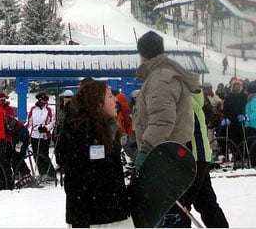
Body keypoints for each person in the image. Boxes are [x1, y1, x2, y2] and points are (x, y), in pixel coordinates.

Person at [60, 79, 132, 227]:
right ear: (98, 103)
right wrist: (80, 222)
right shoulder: (81, 134)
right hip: (97, 220)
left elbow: (109, 176)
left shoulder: (108, 129)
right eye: (110, 96)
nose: (115, 100)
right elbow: (76, 181)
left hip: (115, 215)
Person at [161, 88, 229, 228]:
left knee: (181, 208)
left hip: (189, 157)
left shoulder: (181, 100)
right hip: (200, 155)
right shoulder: (194, 97)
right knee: (207, 203)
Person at [133, 31, 199, 171]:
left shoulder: (161, 79)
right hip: (167, 150)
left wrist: (146, 148)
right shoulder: (161, 74)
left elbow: (162, 119)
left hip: (163, 153)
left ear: (143, 54)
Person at [25, 92, 55, 180]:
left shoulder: (49, 110)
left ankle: (49, 173)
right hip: (35, 135)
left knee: (44, 154)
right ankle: (42, 172)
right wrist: (23, 129)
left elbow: (52, 122)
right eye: (43, 100)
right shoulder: (33, 109)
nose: (45, 102)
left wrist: (46, 128)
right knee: (36, 155)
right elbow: (29, 122)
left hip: (44, 136)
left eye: (46, 100)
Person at [221, 79, 247, 165]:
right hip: (231, 121)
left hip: (240, 121)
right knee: (233, 140)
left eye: (238, 86)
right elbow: (225, 109)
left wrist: (244, 115)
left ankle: (243, 157)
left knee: (242, 139)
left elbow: (245, 107)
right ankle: (235, 156)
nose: (237, 87)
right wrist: (225, 118)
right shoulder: (229, 97)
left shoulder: (243, 96)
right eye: (235, 86)